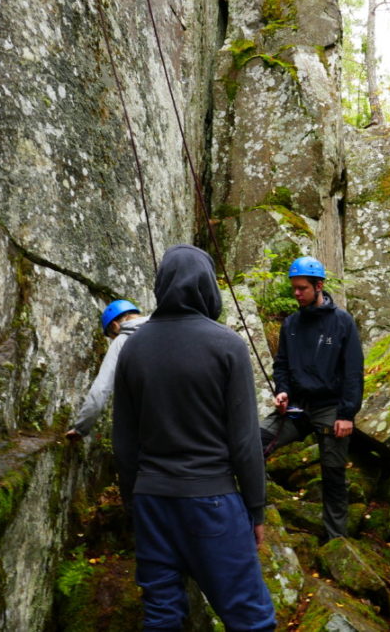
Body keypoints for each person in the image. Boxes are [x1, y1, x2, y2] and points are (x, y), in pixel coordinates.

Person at [112, 245, 275, 631]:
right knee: (250, 619)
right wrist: (256, 508)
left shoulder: (133, 347)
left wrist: (134, 503)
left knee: (163, 616)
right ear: (207, 286)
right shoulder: (226, 345)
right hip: (212, 499)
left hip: (152, 500)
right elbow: (244, 441)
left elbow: (124, 442)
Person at [260, 256, 364, 539]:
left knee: (333, 473)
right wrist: (282, 390)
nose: (296, 293)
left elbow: (353, 372)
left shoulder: (341, 322)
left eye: (302, 288)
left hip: (330, 407)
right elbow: (281, 364)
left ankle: (336, 540)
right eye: (294, 287)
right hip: (296, 406)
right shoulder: (291, 323)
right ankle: (255, 514)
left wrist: (346, 415)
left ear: (319, 286)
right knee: (253, 440)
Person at [65, 300, 147, 441]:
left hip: (147, 421)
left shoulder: (121, 341)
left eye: (112, 336)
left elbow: (100, 390)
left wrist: (81, 428)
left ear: (115, 326)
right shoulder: (164, 325)